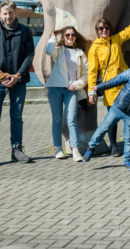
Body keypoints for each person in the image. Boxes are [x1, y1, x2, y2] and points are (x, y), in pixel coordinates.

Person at [83, 50, 130, 171]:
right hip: (117, 107)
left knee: (129, 138)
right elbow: (114, 81)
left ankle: (128, 161)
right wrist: (98, 87)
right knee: (103, 128)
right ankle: (91, 148)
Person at [87, 0, 130, 157]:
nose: (103, 31)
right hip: (109, 85)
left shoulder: (116, 40)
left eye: (106, 28)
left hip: (126, 82)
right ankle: (114, 147)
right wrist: (91, 91)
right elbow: (92, 71)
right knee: (112, 116)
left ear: (110, 29)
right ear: (97, 31)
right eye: (100, 29)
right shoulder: (94, 48)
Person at [0, 0, 35, 167]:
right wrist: (1, 75)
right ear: (0, 15)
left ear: (15, 13)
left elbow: (29, 56)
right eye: (5, 13)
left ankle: (16, 150)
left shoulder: (25, 32)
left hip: (18, 81)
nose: (8, 16)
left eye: (10, 13)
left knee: (17, 118)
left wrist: (17, 75)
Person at [45, 26, 90, 162]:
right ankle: (58, 149)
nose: (70, 37)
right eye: (67, 35)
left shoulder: (80, 53)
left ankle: (75, 150)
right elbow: (48, 50)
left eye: (73, 35)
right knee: (57, 120)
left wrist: (76, 85)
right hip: (55, 88)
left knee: (72, 120)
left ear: (76, 37)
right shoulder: (59, 51)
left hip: (71, 89)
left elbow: (85, 74)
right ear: (63, 37)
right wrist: (53, 37)